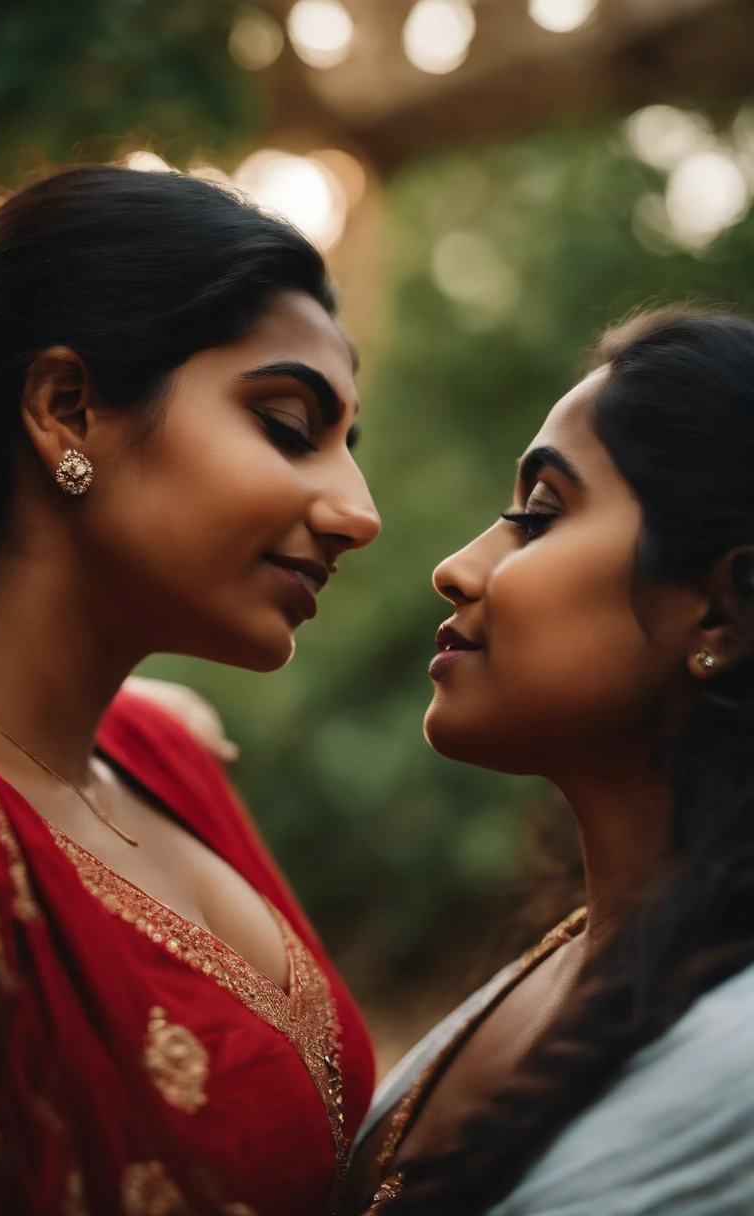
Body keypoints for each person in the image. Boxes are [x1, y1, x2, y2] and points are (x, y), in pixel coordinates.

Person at [0, 164, 380, 1216]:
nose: (358, 510)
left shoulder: (158, 754)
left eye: (351, 444)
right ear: (67, 408)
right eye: (286, 423)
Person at [347, 309, 754, 1215]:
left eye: (538, 517)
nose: (456, 567)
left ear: (723, 614)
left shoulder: (737, 1060)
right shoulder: (575, 955)